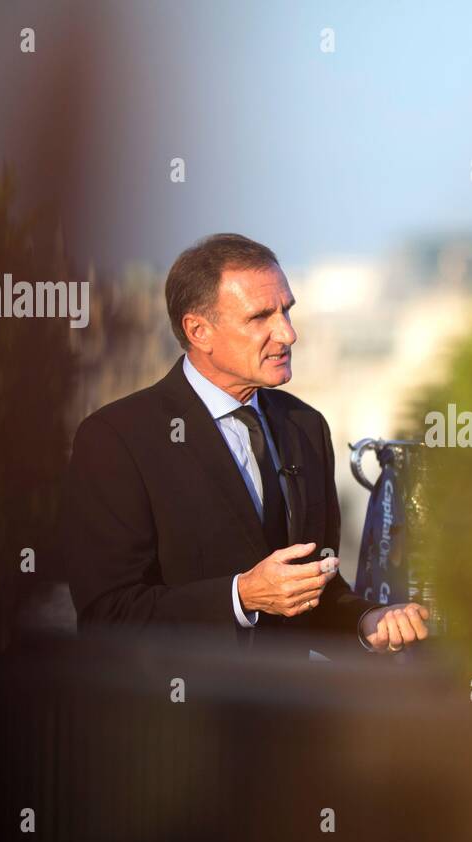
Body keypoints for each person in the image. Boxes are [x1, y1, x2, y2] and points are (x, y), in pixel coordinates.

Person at [61, 233, 429, 654]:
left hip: (289, 712)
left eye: (287, 311)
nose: (287, 334)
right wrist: (240, 597)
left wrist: (368, 621)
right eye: (260, 318)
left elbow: (317, 592)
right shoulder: (116, 440)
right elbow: (109, 615)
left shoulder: (305, 426)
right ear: (198, 330)